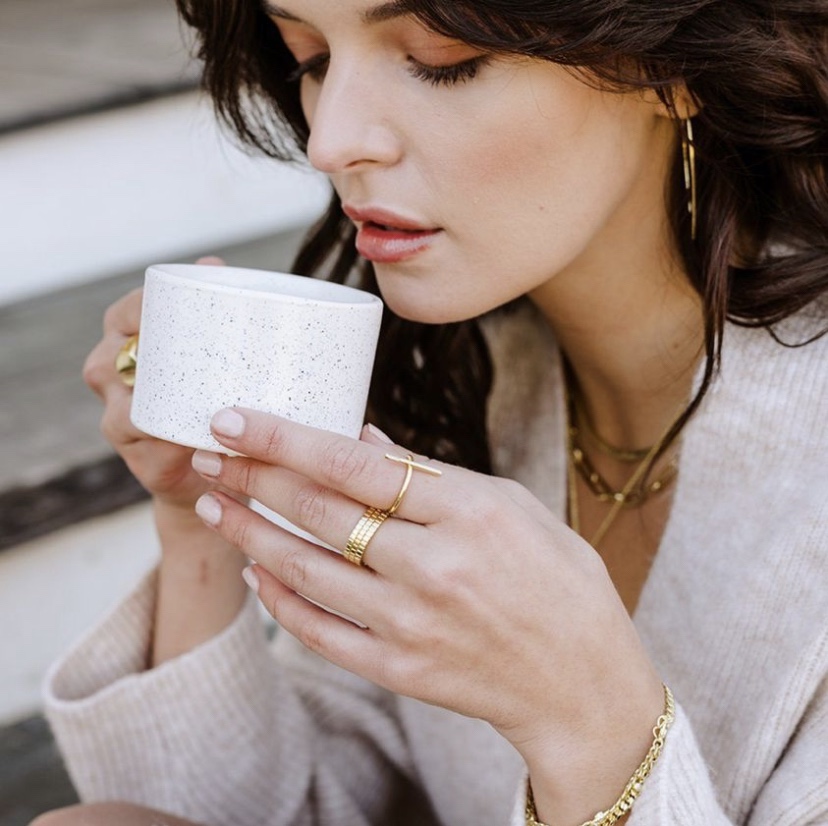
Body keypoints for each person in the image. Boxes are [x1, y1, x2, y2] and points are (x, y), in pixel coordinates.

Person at [33, 1, 828, 825]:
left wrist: (593, 727)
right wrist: (203, 507)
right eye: (311, 59)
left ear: (670, 65)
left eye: (441, 58)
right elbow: (265, 813)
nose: (330, 142)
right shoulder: (460, 376)